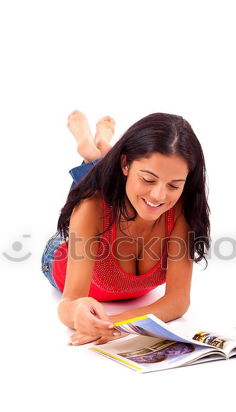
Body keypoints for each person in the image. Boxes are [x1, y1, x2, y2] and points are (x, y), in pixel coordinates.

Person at [41, 110, 211, 346]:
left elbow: (178, 300)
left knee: (110, 183)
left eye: (173, 185)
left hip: (117, 187)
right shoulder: (92, 207)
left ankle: (96, 153)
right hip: (58, 255)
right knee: (91, 190)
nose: (159, 195)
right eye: (148, 180)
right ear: (125, 164)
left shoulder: (182, 209)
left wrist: (117, 323)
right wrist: (77, 312)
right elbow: (69, 304)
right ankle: (90, 153)